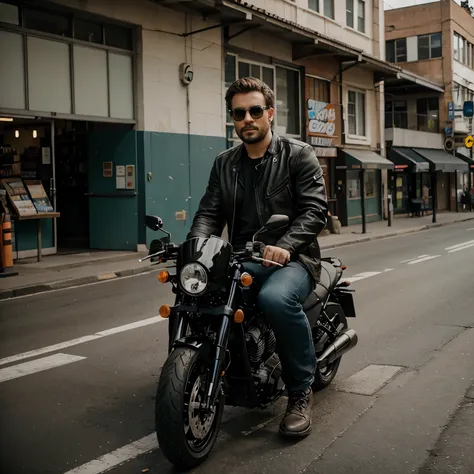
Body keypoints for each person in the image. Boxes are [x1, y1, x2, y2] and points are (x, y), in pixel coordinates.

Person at [188, 77, 328, 438]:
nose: (246, 118)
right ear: (232, 118)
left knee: (275, 299)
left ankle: (300, 391)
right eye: (238, 113)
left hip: (295, 258)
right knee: (201, 295)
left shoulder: (298, 155)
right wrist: (196, 249)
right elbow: (209, 213)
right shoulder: (225, 164)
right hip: (242, 256)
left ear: (269, 114)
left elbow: (315, 212)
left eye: (254, 111)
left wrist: (287, 243)